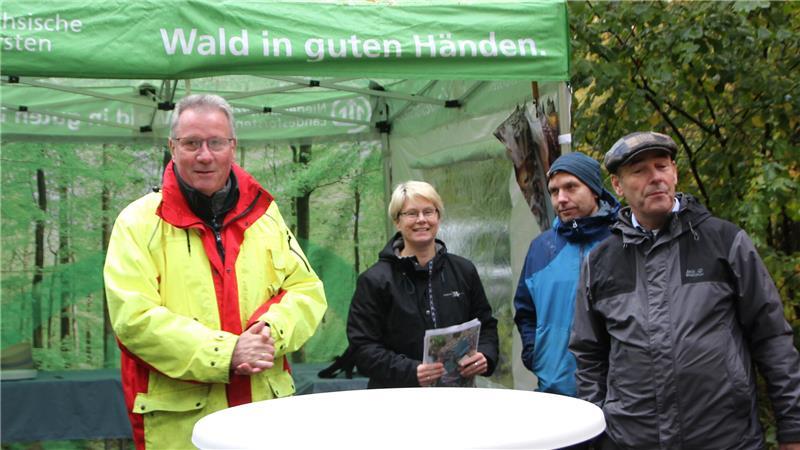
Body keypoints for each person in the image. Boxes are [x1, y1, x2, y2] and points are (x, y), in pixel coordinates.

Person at [103, 94, 327, 449]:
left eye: (216, 142)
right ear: (173, 147)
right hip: (184, 428)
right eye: (191, 143)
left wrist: (270, 332)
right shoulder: (137, 223)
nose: (204, 155)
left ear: (232, 147)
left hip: (264, 420)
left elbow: (306, 290)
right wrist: (227, 353)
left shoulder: (265, 215)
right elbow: (133, 319)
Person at [570, 131, 800, 449]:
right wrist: (596, 437)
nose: (655, 178)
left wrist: (793, 427)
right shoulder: (600, 262)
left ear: (675, 173)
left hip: (726, 439)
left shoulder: (725, 242)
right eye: (639, 170)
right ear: (618, 186)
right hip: (633, 441)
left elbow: (771, 337)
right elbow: (589, 356)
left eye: (662, 166)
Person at [346, 181, 499, 388]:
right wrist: (411, 371)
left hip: (457, 397)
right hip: (396, 397)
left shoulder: (464, 270)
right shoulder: (374, 280)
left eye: (428, 212)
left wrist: (485, 355)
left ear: (438, 217)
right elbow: (362, 348)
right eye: (411, 213)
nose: (421, 220)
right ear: (397, 221)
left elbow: (486, 325)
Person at [513, 152, 619, 396]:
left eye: (571, 187)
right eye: (554, 191)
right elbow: (526, 311)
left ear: (594, 190)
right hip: (555, 389)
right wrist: (535, 354)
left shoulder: (622, 241)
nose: (561, 198)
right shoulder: (541, 248)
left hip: (616, 393)